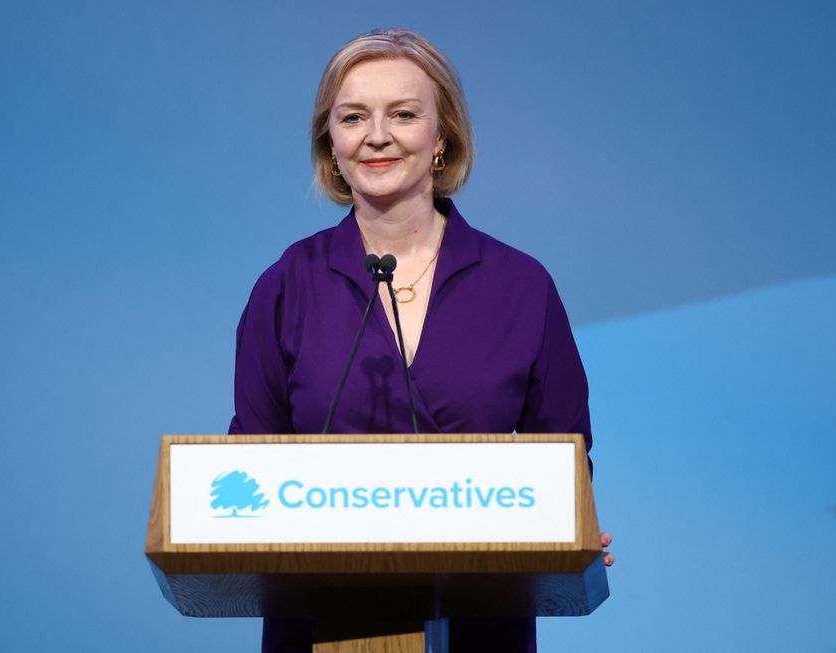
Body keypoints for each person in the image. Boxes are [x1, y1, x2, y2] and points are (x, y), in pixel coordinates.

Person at [229, 28, 612, 653]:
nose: (376, 135)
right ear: (332, 141)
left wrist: (570, 528)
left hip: (480, 622)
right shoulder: (286, 285)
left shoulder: (521, 286)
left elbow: (566, 462)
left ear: (441, 137)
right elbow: (247, 467)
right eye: (353, 117)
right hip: (319, 623)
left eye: (403, 114)